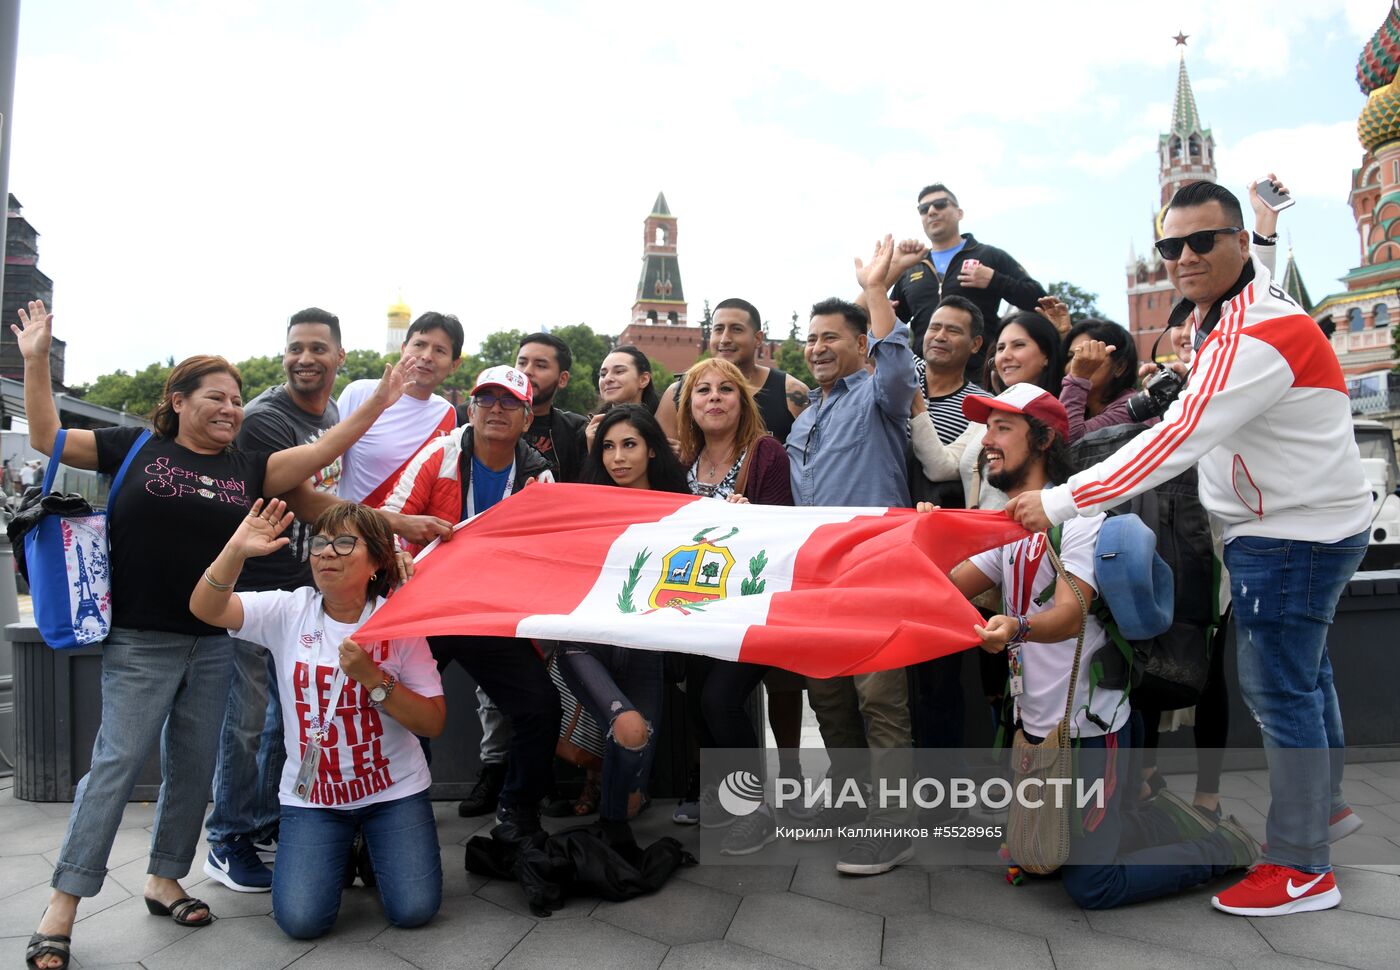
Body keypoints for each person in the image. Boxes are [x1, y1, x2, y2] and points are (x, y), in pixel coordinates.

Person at [1005, 180, 1372, 917]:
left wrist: (1057, 500)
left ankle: (1302, 866)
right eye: (1173, 244)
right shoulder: (1241, 306)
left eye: (1205, 240)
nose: (1185, 256)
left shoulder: (1251, 335)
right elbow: (1255, 276)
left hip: (1289, 533)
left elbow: (1173, 441)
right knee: (1310, 676)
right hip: (1312, 519)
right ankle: (1325, 808)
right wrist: (1265, 231)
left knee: (1282, 692)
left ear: (1234, 241)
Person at [16, 300, 409, 970]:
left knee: (194, 766)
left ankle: (166, 879)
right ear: (178, 400)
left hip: (215, 642)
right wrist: (33, 363)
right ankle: (64, 902)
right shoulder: (135, 446)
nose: (231, 409)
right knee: (114, 767)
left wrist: (376, 406)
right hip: (141, 639)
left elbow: (322, 450)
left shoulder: (247, 466)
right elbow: (45, 436)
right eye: (217, 398)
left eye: (236, 399)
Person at [942, 383, 1256, 910]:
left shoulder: (1082, 521)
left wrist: (1014, 627)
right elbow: (949, 585)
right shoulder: (1008, 531)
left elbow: (1069, 615)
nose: (985, 441)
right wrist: (929, 532)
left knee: (1093, 886)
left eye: (1001, 428)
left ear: (1042, 440)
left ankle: (1221, 847)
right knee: (1046, 858)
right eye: (985, 427)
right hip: (1039, 736)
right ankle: (1148, 822)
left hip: (1091, 734)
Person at [190, 500, 445, 939]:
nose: (327, 552)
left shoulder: (397, 621)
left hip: (393, 793)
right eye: (320, 543)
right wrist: (236, 548)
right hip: (314, 799)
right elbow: (207, 608)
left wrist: (374, 678)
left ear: (376, 562)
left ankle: (368, 845)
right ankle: (344, 847)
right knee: (302, 921)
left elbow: (433, 722)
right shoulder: (290, 610)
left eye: (345, 543)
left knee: (414, 910)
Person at [786, 236, 919, 876]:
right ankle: (852, 800)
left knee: (879, 699)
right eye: (812, 338)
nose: (817, 348)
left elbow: (898, 364)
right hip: (817, 580)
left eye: (832, 337)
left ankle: (894, 826)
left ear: (860, 343)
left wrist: (875, 292)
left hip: (875, 570)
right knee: (829, 698)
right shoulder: (803, 421)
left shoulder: (879, 396)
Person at [385, 365, 561, 843]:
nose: (496, 410)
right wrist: (404, 562)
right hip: (427, 607)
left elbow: (545, 554)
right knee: (399, 699)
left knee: (541, 706)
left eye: (509, 403)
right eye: (487, 400)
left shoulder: (538, 476)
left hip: (487, 614)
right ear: (471, 409)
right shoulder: (440, 454)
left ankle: (518, 811)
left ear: (528, 418)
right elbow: (390, 518)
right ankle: (399, 805)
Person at [204, 307, 347, 894]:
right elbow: (309, 503)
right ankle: (227, 838)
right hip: (255, 588)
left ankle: (266, 824)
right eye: (295, 348)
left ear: (340, 356)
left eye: (317, 348)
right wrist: (390, 526)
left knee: (281, 719)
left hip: (301, 585)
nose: (305, 358)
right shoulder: (264, 419)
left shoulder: (329, 412)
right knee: (248, 720)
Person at [671, 358, 794, 854]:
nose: (714, 398)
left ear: (743, 401)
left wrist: (754, 519)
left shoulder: (766, 454)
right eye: (703, 391)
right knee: (698, 704)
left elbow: (784, 530)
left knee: (720, 700)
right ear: (690, 404)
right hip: (696, 611)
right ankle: (726, 795)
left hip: (752, 609)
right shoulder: (682, 462)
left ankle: (756, 808)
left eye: (726, 390)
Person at [556, 405, 686, 843]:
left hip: (647, 648)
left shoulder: (683, 510)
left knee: (631, 796)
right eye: (608, 447)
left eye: (629, 445)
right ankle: (607, 844)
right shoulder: (583, 506)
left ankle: (613, 822)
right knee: (629, 730)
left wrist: (737, 516)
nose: (618, 458)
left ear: (652, 449)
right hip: (585, 644)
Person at [880, 183, 1047, 374]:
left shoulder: (990, 256)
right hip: (922, 379)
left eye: (940, 204)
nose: (932, 211)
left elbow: (1040, 301)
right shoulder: (911, 266)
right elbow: (889, 321)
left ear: (959, 213)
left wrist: (994, 280)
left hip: (980, 376)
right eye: (924, 209)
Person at [336, 311, 463, 505]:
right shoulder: (359, 393)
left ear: (454, 364)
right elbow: (325, 469)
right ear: (404, 348)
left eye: (440, 350)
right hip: (352, 529)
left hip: (410, 532)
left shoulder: (447, 413)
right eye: (419, 344)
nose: (427, 356)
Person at [654, 297, 810, 444]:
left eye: (736, 329)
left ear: (758, 339)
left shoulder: (791, 393)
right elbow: (659, 460)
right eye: (719, 329)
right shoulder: (678, 394)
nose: (725, 339)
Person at [507, 331, 588, 483]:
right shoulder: (481, 416)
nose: (527, 371)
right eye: (522, 363)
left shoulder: (577, 431)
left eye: (541, 366)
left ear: (562, 379)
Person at [1059, 319, 1139, 442]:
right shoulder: (1084, 408)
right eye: (1071, 357)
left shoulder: (1131, 408)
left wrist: (1078, 379)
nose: (1075, 364)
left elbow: (1068, 440)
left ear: (1120, 367)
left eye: (1088, 357)